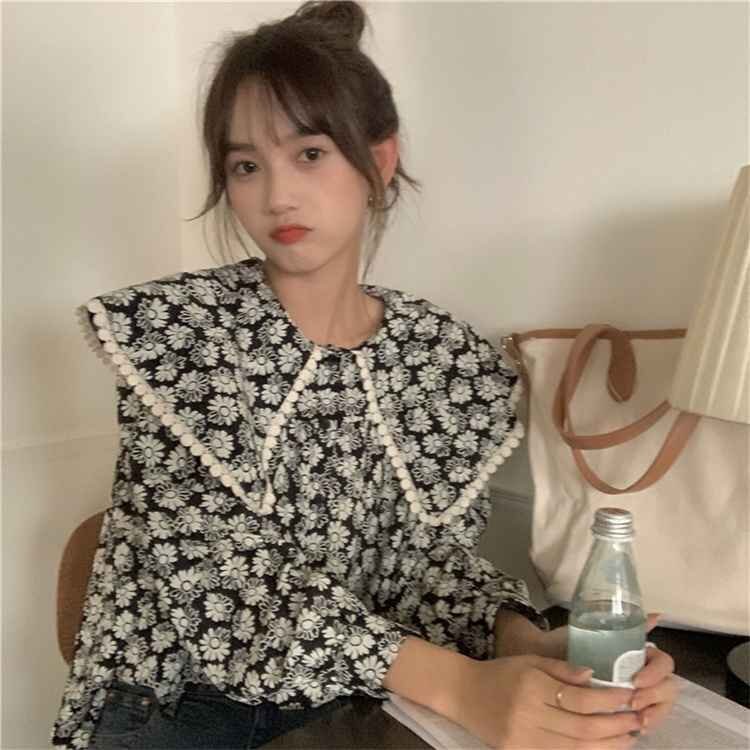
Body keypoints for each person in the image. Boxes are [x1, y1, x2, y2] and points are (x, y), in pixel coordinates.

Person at [51, 2, 677, 748]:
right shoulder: (179, 334)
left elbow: (422, 565)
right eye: (246, 166)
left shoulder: (439, 356)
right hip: (181, 708)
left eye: (309, 153)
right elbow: (224, 589)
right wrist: (464, 686)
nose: (277, 196)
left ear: (379, 162)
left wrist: (522, 641)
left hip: (361, 703)